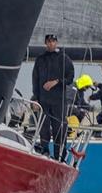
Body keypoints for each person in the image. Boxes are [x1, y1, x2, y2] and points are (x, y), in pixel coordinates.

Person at [32, 33, 74, 161]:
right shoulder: (40, 59)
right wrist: (35, 98)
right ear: (45, 43)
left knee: (59, 128)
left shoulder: (64, 59)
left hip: (58, 101)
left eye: (53, 41)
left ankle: (59, 154)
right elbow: (35, 79)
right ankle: (45, 151)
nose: (51, 43)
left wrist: (56, 81)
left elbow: (70, 78)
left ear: (57, 42)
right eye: (49, 41)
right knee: (44, 127)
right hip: (43, 100)